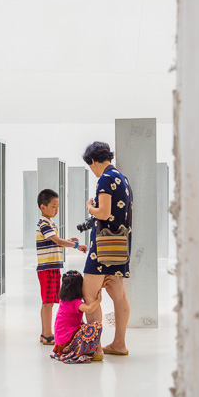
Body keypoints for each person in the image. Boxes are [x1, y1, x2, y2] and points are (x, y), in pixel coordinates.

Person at [81, 141, 132, 359]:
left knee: (89, 295)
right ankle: (119, 344)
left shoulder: (105, 179)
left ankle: (96, 348)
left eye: (90, 166)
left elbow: (103, 213)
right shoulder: (122, 178)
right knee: (119, 296)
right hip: (119, 247)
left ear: (93, 161)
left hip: (102, 248)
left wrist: (89, 207)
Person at [36, 188, 87, 346]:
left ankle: (45, 333)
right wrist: (76, 245)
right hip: (47, 269)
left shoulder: (50, 223)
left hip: (52, 267)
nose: (56, 210)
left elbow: (55, 242)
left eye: (58, 207)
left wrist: (68, 241)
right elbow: (57, 241)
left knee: (49, 301)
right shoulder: (44, 223)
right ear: (43, 207)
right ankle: (47, 334)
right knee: (47, 302)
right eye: (53, 206)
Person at [50, 270, 103, 364]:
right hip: (67, 342)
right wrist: (99, 300)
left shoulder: (63, 301)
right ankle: (85, 350)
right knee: (96, 326)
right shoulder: (75, 303)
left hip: (60, 343)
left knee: (83, 325)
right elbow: (89, 309)